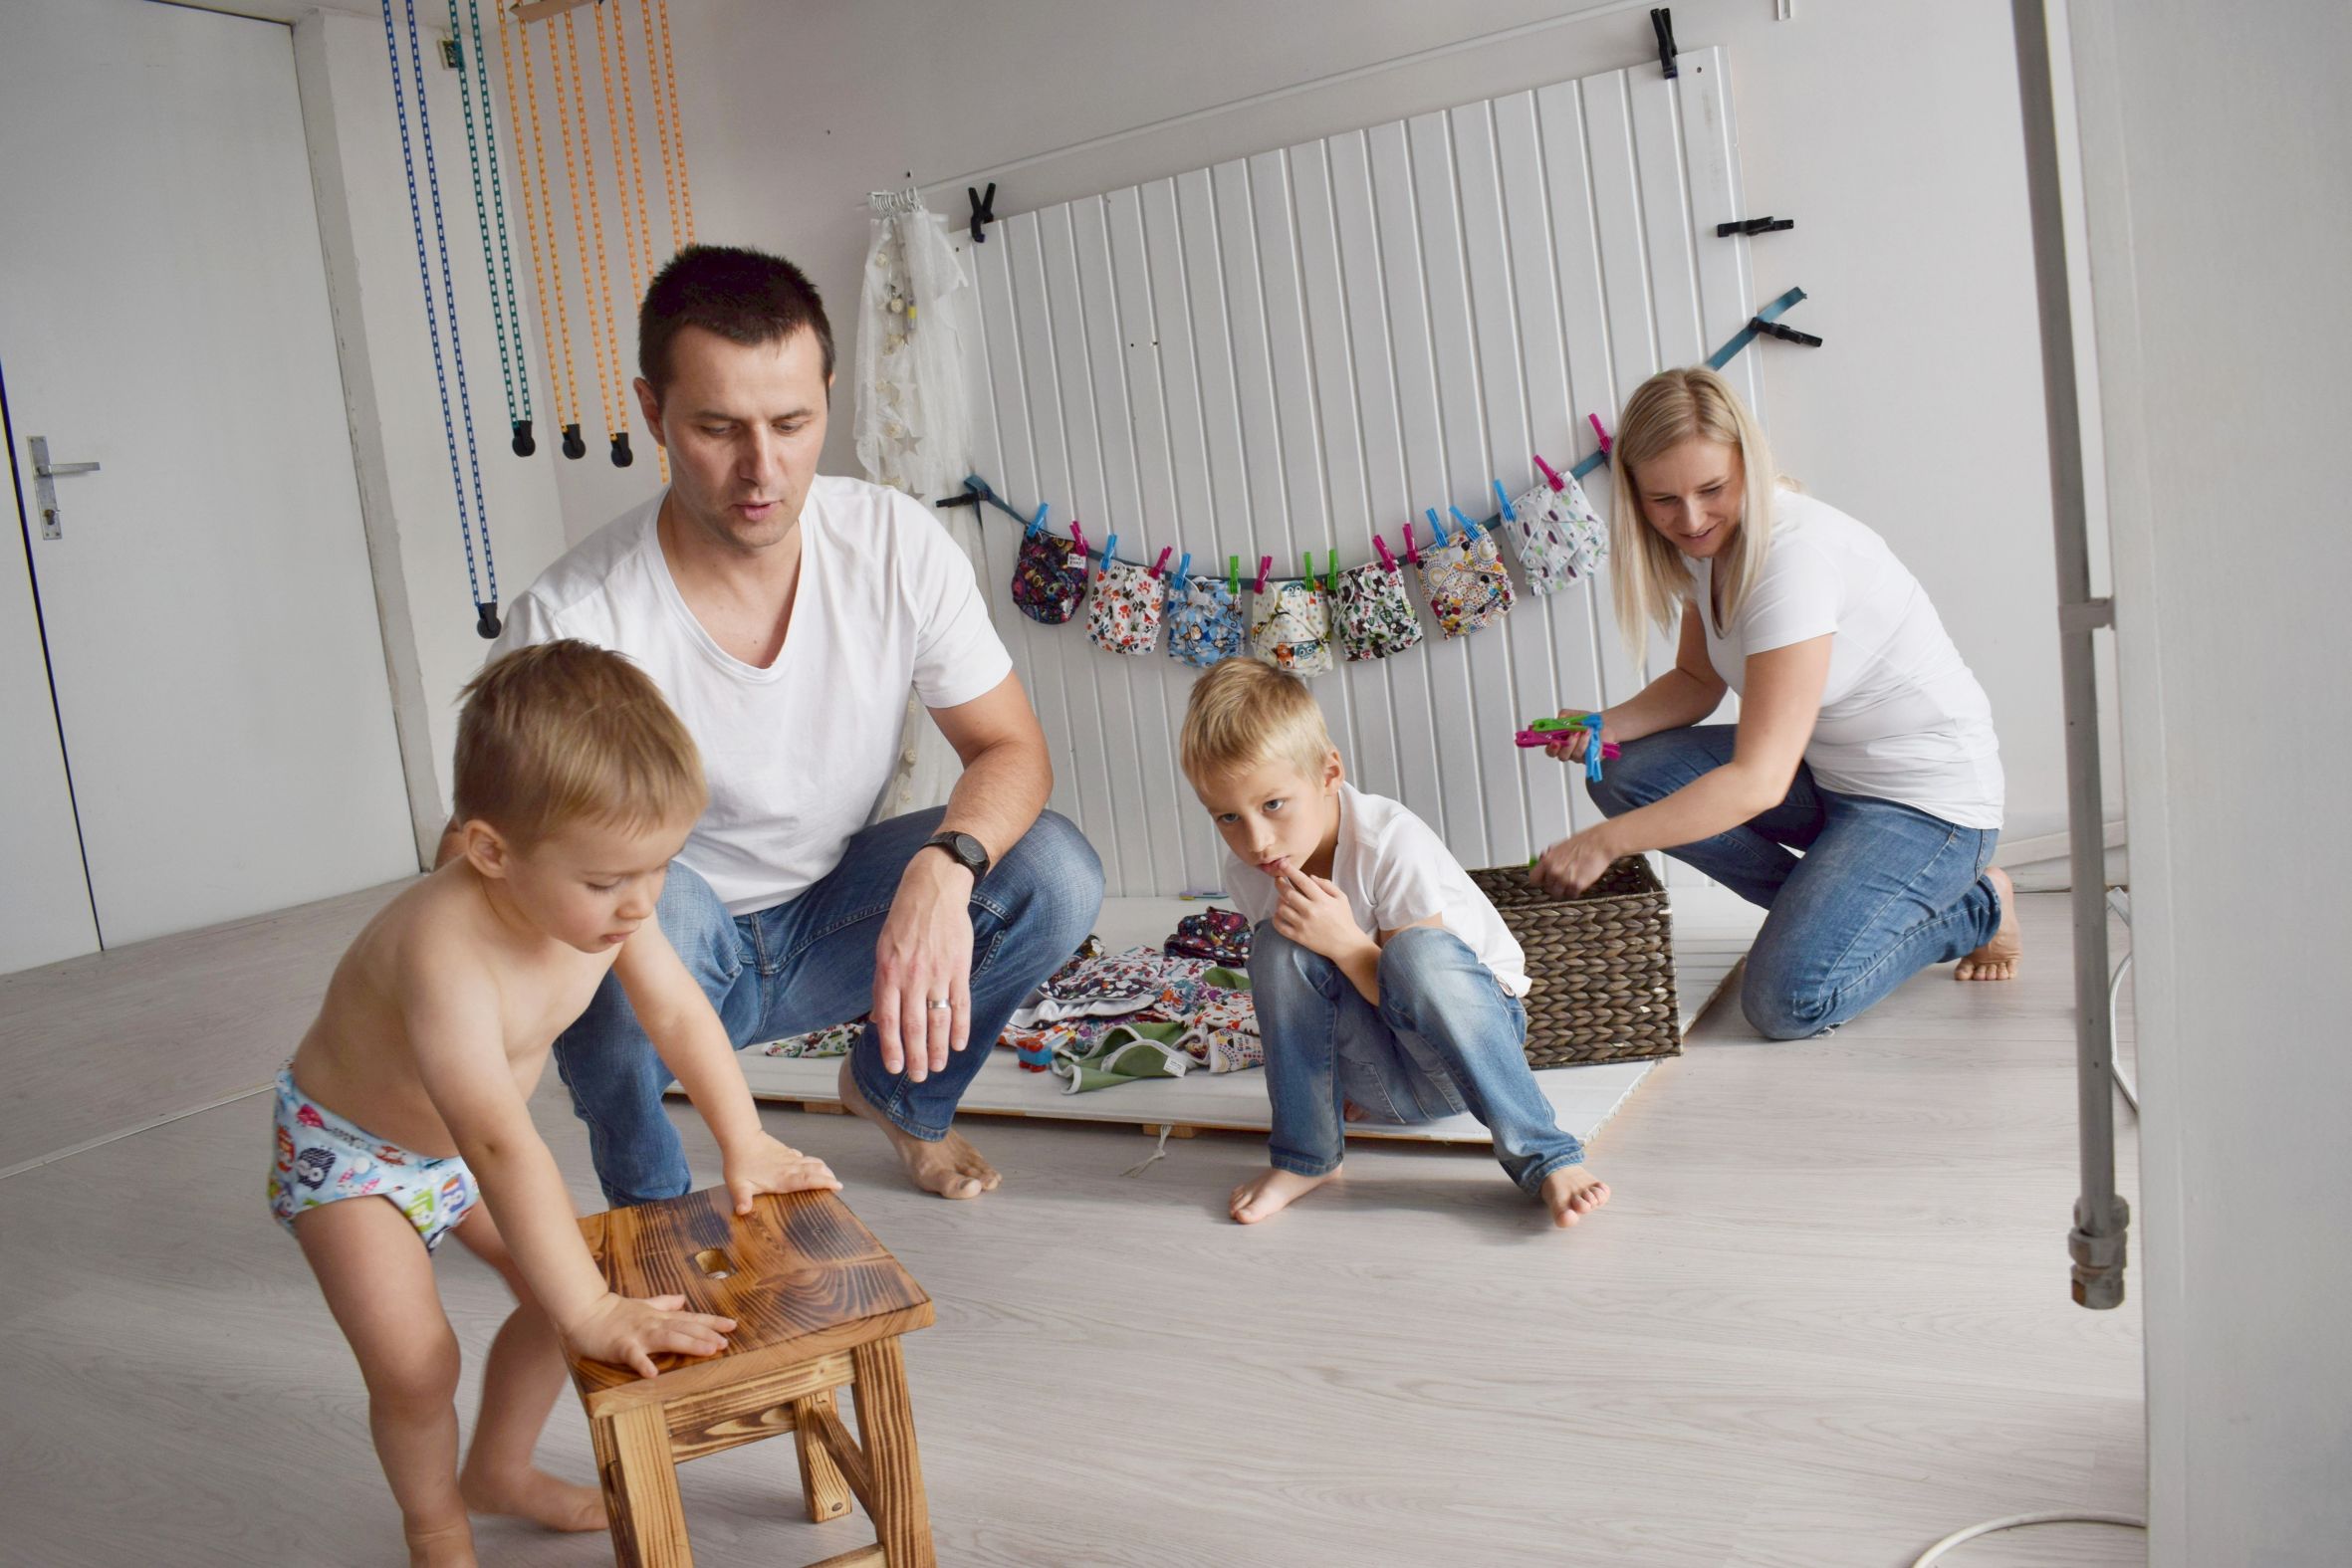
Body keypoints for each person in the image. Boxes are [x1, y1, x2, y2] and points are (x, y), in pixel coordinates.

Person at [472, 245, 1101, 1206]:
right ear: (654, 414)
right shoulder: (573, 619)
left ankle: (900, 1096)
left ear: (828, 400)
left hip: (833, 918)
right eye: (718, 428)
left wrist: (948, 865)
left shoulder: (895, 542)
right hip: (666, 948)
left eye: (793, 423)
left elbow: (1010, 748)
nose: (761, 469)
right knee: (609, 916)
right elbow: (494, 869)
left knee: (1054, 870)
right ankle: (654, 1210)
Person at [272, 642, 840, 1568]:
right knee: (418, 1363)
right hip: (354, 1157)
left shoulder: (612, 909)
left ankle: (497, 1470)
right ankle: (435, 1526)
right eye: (607, 881)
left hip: (458, 1151)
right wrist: (592, 1312)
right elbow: (499, 1142)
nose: (640, 903)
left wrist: (746, 1138)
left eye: (660, 867)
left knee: (560, 1285)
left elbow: (676, 1012)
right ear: (491, 851)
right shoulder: (443, 954)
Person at [1531, 366, 2019, 1040]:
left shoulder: (1794, 559)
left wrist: (1603, 843)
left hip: (1927, 808)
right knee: (1620, 768)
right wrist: (1601, 725)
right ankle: (1832, 910)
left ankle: (1978, 904)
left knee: (1786, 1001)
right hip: (1829, 778)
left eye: (1712, 490)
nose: (1691, 519)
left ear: (1749, 465)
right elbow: (1696, 681)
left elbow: (1758, 781)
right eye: (1664, 500)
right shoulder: (1708, 548)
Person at [1179, 658, 1612, 1229]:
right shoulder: (1250, 873)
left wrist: (1344, 944)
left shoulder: (1389, 839)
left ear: (1329, 773)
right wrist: (1336, 1080)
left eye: (1273, 805)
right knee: (1276, 947)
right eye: (1228, 818)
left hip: (1468, 1064)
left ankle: (1546, 1154)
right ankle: (1308, 1155)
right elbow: (1303, 1002)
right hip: (1377, 1085)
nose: (1256, 841)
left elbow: (1425, 994)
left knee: (1418, 952)